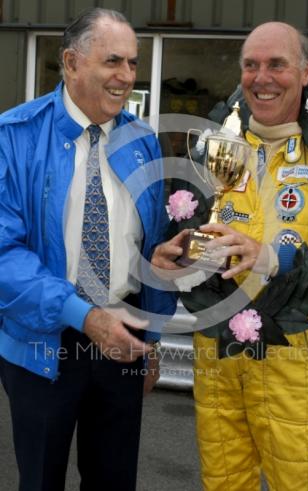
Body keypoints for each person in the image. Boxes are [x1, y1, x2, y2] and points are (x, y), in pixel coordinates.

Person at [152, 22, 308, 490]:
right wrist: (176, 257)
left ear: (307, 72)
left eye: (276, 64)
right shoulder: (222, 142)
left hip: (295, 362)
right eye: (251, 65)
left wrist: (273, 259)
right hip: (219, 355)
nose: (262, 77)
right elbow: (197, 226)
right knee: (223, 482)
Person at [0, 7, 176, 491]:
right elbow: (5, 257)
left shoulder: (143, 142)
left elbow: (152, 242)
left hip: (123, 335)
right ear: (71, 63)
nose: (126, 76)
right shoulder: (13, 137)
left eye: (133, 63)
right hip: (44, 339)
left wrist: (153, 339)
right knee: (40, 478)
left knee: (114, 478)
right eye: (112, 61)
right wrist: (83, 315)